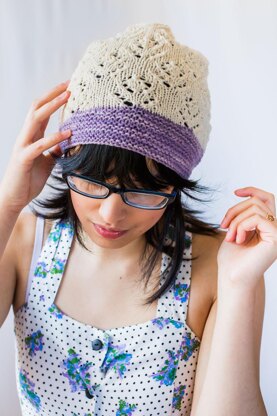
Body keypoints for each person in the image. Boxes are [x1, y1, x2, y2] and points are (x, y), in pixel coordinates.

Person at [0, 22, 276, 416]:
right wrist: (7, 204)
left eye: (142, 188)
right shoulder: (25, 241)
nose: (111, 213)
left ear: (174, 184)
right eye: (93, 181)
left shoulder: (220, 266)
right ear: (66, 158)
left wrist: (238, 285)